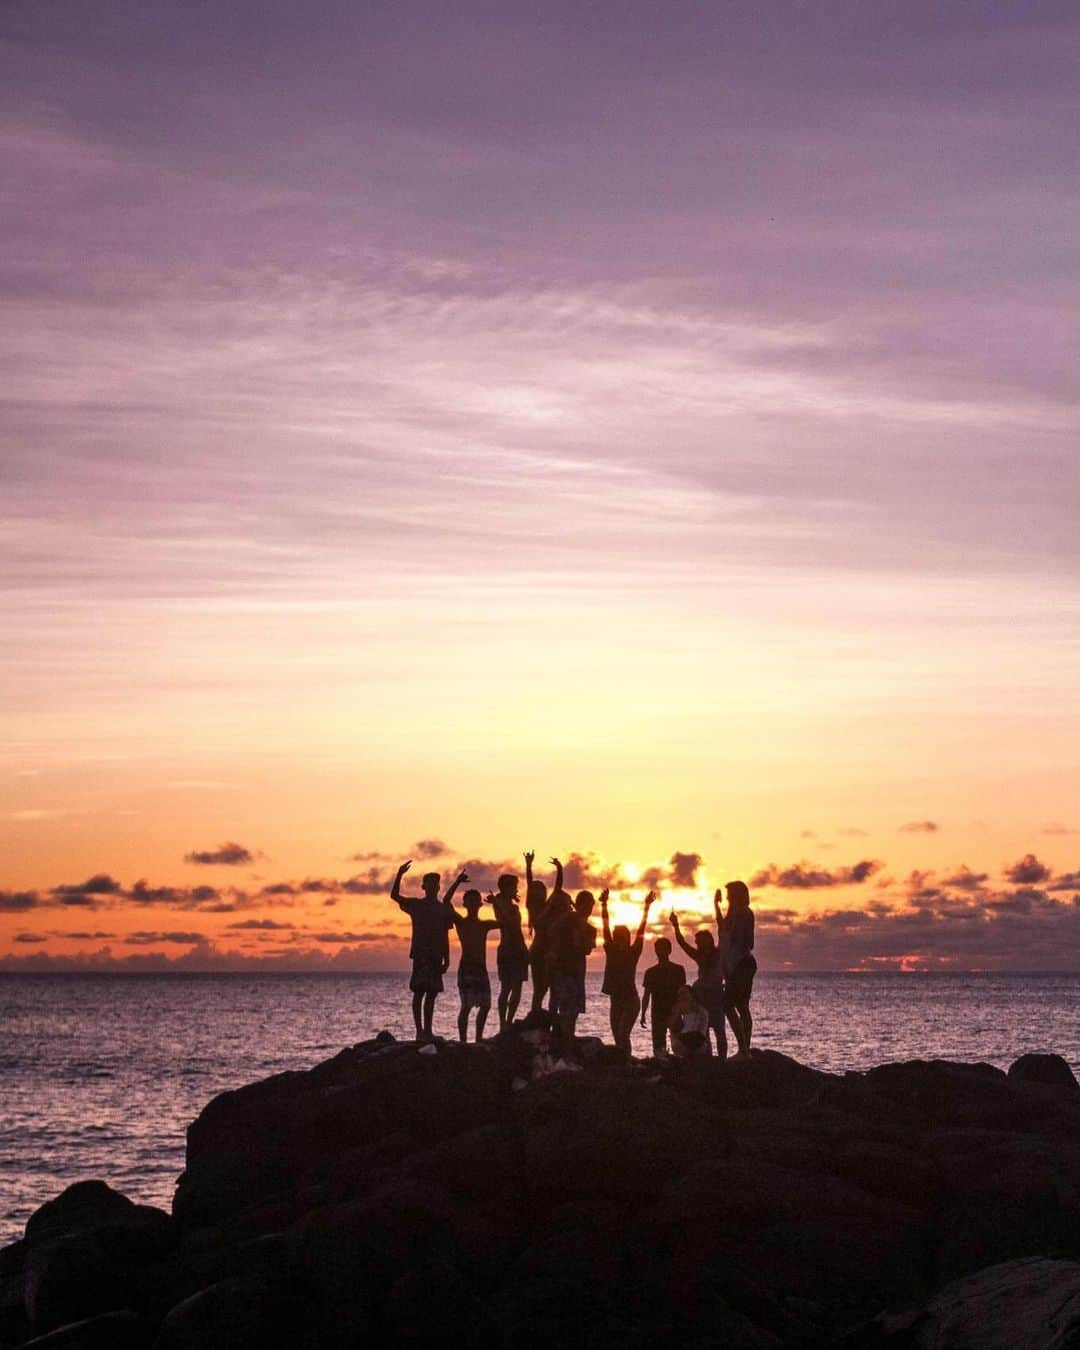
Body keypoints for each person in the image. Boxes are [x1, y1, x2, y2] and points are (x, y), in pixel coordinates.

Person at [390, 860, 463, 1041]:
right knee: (419, 992)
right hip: (421, 955)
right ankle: (419, 1031)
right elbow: (395, 895)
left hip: (436, 956)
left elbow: (445, 935)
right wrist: (399, 874)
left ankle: (428, 1031)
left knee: (431, 994)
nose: (432, 887)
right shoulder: (416, 905)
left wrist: (447, 958)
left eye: (435, 884)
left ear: (438, 887)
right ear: (424, 887)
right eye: (429, 884)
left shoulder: (442, 909)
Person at [600, 889, 654, 1053]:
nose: (619, 939)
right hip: (616, 999)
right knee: (617, 1036)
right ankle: (623, 1065)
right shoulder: (611, 949)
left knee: (623, 1034)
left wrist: (647, 907)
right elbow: (605, 927)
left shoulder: (633, 952)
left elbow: (641, 930)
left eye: (622, 936)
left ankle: (627, 1062)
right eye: (617, 936)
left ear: (627, 938)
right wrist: (603, 904)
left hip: (631, 1000)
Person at [444, 887, 500, 1043]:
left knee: (486, 1005)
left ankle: (478, 1038)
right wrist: (456, 883)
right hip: (467, 967)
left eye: (476, 900)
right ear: (465, 904)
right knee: (466, 1006)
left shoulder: (484, 925)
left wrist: (496, 903)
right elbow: (446, 901)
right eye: (470, 901)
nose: (474, 903)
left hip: (480, 968)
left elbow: (503, 922)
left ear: (480, 904)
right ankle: (463, 1041)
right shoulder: (461, 922)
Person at [671, 907, 728, 1059]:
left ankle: (722, 1059)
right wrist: (675, 925)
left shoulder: (718, 953)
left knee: (719, 1029)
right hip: (702, 995)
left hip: (715, 995)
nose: (697, 944)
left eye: (699, 941)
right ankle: (708, 1057)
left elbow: (722, 930)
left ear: (707, 941)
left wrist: (716, 906)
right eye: (697, 942)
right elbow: (682, 943)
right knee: (705, 1029)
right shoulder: (699, 956)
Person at [490, 871, 529, 1030]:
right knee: (506, 987)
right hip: (507, 949)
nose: (515, 890)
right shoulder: (499, 904)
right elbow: (506, 922)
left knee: (517, 987)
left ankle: (509, 1021)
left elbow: (516, 927)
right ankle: (503, 1023)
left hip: (519, 948)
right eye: (513, 887)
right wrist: (497, 902)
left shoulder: (512, 906)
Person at [723, 879, 757, 1059]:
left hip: (742, 964)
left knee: (730, 1005)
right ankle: (744, 1048)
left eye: (730, 895)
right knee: (741, 1006)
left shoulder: (744, 913)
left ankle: (744, 1049)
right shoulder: (735, 913)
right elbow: (724, 930)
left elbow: (748, 943)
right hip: (736, 965)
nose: (728, 898)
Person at [640, 936, 686, 1057]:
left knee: (679, 1045)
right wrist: (643, 1013)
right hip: (657, 1013)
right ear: (655, 950)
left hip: (674, 1011)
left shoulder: (678, 970)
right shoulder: (650, 972)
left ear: (669, 950)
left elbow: (683, 993)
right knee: (659, 1046)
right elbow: (646, 995)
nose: (661, 951)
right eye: (659, 948)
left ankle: (679, 1068)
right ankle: (662, 1067)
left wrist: (682, 1011)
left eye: (664, 948)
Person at [526, 853, 561, 1012]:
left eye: (542, 889)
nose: (540, 892)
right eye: (537, 890)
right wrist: (528, 865)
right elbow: (529, 883)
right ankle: (536, 1013)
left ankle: (549, 1015)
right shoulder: (533, 908)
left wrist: (560, 869)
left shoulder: (549, 906)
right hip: (538, 951)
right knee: (539, 988)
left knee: (550, 986)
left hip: (549, 951)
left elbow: (558, 888)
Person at [668, 984, 710, 1059]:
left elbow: (701, 1032)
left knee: (690, 1038)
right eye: (680, 994)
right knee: (675, 1037)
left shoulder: (700, 1010)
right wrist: (677, 1012)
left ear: (691, 995)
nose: (681, 997)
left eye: (684, 993)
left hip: (697, 1040)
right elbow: (672, 1027)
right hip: (685, 1040)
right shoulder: (681, 1011)